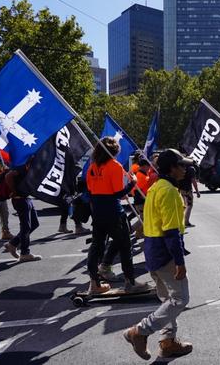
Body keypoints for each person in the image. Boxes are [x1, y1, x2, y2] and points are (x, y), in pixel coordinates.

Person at [123, 149, 193, 360]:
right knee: (180, 299)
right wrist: (180, 262)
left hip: (152, 251)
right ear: (172, 168)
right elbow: (172, 232)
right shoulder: (170, 191)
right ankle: (140, 331)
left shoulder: (156, 186)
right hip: (165, 252)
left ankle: (168, 343)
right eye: (182, 165)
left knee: (167, 299)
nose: (185, 169)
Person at [85, 137, 147, 294]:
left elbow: (91, 191)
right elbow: (118, 194)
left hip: (98, 212)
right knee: (125, 246)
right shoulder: (115, 166)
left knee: (96, 246)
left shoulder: (92, 167)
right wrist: (132, 183)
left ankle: (94, 283)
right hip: (113, 212)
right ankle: (130, 282)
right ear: (114, 151)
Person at [3, 159, 42, 262]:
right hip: (19, 199)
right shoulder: (20, 167)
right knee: (26, 227)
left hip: (26, 198)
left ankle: (13, 243)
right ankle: (25, 253)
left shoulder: (30, 168)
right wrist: (14, 191)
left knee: (34, 224)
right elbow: (8, 176)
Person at [178, 162, 200, 227]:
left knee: (182, 205)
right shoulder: (191, 169)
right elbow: (193, 181)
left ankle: (181, 221)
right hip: (187, 190)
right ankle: (186, 221)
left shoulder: (179, 167)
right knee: (189, 205)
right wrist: (197, 191)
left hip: (180, 189)